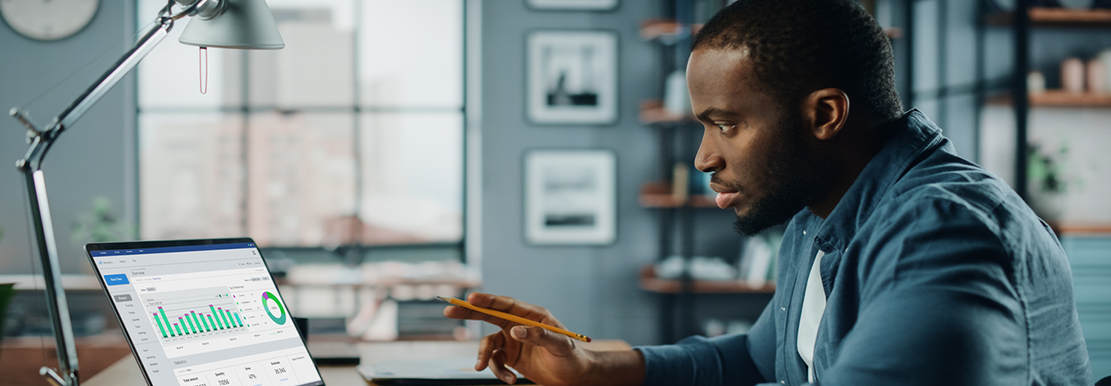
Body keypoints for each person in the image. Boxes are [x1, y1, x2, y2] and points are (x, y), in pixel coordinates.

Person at [445, 0, 1093, 384]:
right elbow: (760, 354)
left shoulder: (941, 230)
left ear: (823, 115)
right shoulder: (821, 211)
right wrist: (588, 365)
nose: (703, 158)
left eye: (725, 124)